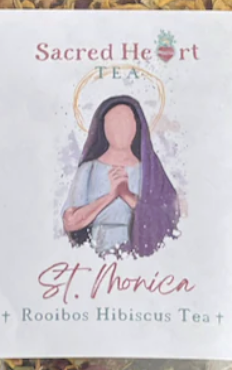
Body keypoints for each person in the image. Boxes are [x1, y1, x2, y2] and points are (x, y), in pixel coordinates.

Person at [63, 94, 179, 257]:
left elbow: (168, 217)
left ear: (137, 126)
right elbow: (70, 222)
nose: (119, 128)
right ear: (102, 126)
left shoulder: (150, 170)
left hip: (140, 255)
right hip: (95, 254)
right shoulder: (88, 170)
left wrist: (126, 194)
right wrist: (110, 196)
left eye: (126, 122)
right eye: (113, 122)